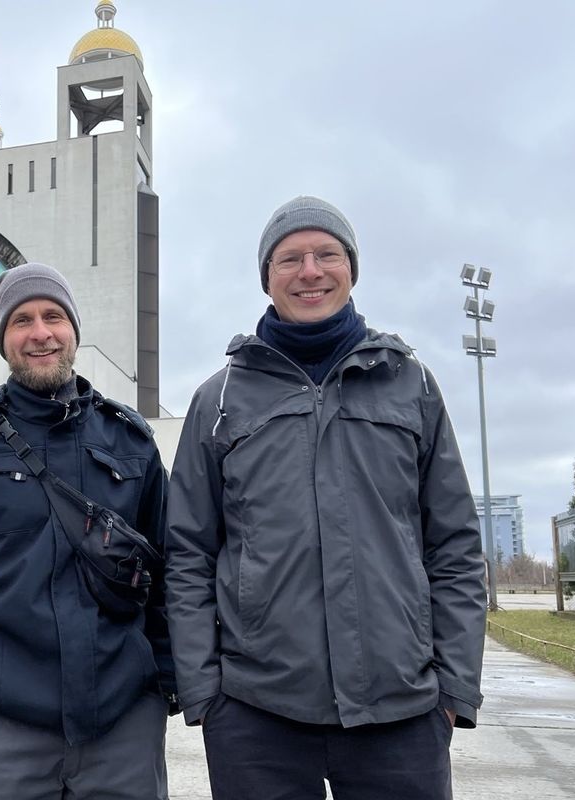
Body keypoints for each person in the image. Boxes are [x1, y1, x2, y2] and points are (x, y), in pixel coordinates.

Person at [165, 196, 486, 799]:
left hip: (402, 712)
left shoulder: (410, 384)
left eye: (326, 254)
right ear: (267, 277)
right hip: (257, 716)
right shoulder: (220, 399)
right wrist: (205, 692)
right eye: (290, 258)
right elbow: (186, 552)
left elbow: (456, 546)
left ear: (350, 269)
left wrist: (453, 688)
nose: (309, 270)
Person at [0, 262, 175, 800]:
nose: (40, 332)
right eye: (21, 320)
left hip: (123, 727)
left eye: (53, 315)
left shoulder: (131, 441)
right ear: (3, 338)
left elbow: (168, 572)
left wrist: (161, 683)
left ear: (73, 329)